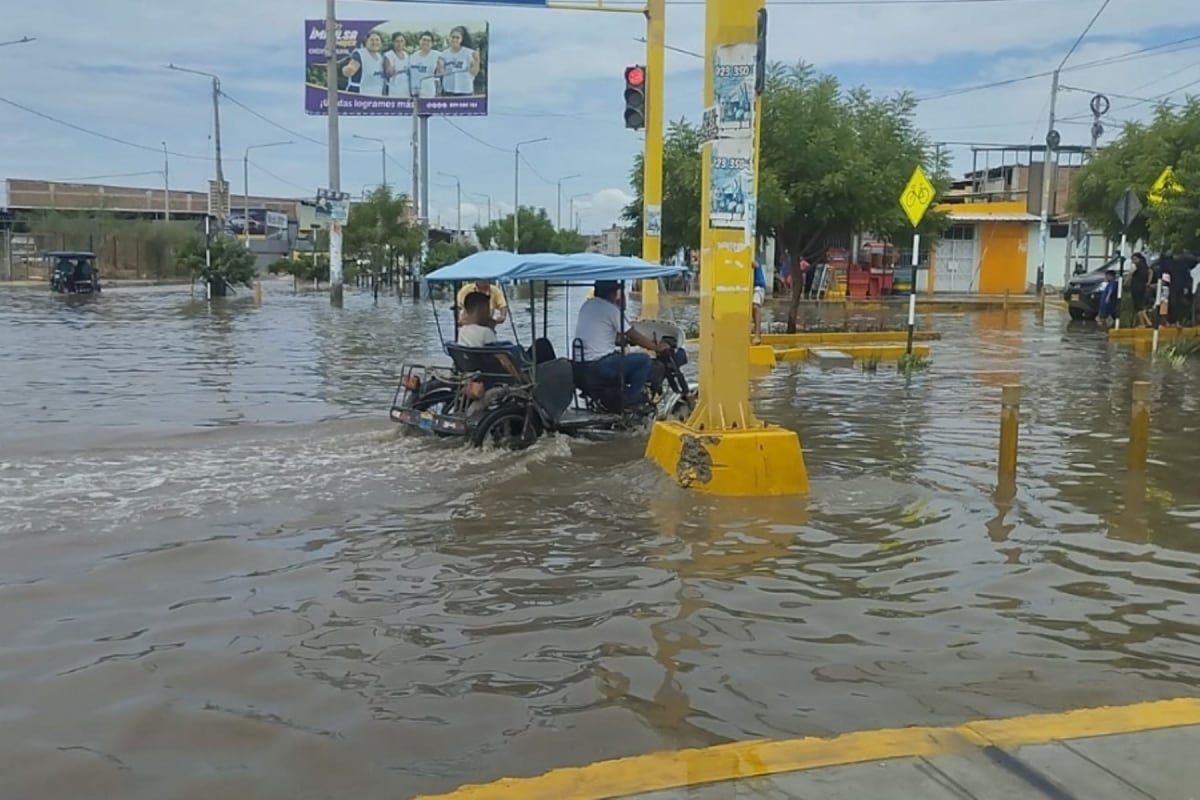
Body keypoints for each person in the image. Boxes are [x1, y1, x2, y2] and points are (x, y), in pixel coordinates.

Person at [574, 280, 669, 409]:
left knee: (623, 357)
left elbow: (604, 336)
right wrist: (655, 347)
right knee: (643, 360)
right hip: (599, 366)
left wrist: (626, 341)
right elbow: (632, 333)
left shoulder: (587, 305)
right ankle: (632, 401)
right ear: (614, 293)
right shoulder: (610, 309)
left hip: (581, 366)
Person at [342, 31, 387, 96]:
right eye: (372, 40)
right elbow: (350, 69)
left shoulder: (380, 57)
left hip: (376, 95)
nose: (375, 42)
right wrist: (348, 70)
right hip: (360, 95)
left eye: (377, 40)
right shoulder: (360, 54)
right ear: (366, 42)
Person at [440, 26, 480, 97]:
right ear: (449, 38)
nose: (455, 39)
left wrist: (477, 60)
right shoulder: (444, 54)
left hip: (465, 90)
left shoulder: (469, 53)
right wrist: (440, 66)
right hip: (449, 90)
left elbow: (474, 73)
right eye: (453, 37)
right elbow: (441, 73)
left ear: (461, 39)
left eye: (457, 38)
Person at [408, 32, 442, 98]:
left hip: (429, 93)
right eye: (424, 40)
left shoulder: (437, 55)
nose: (425, 42)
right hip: (414, 93)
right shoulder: (412, 56)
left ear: (432, 43)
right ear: (419, 41)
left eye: (428, 41)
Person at [1129, 252, 1152, 328]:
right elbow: (1150, 272)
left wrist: (1129, 276)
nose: (1133, 261)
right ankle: (1147, 321)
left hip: (1136, 287)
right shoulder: (1145, 266)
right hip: (1142, 286)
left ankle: (1142, 323)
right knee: (1141, 305)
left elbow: (1130, 275)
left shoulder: (1137, 267)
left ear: (1139, 259)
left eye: (1135, 259)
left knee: (1138, 306)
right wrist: (1148, 282)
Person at [384, 32, 410, 99]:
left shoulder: (407, 55)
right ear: (393, 42)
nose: (399, 44)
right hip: (394, 90)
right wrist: (391, 72)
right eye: (397, 41)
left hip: (406, 89)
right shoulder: (388, 55)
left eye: (402, 41)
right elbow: (387, 74)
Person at [752, 255, 767, 344]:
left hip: (758, 286)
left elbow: (756, 264)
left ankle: (757, 335)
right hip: (749, 287)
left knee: (755, 306)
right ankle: (757, 332)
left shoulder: (752, 256)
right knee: (752, 311)